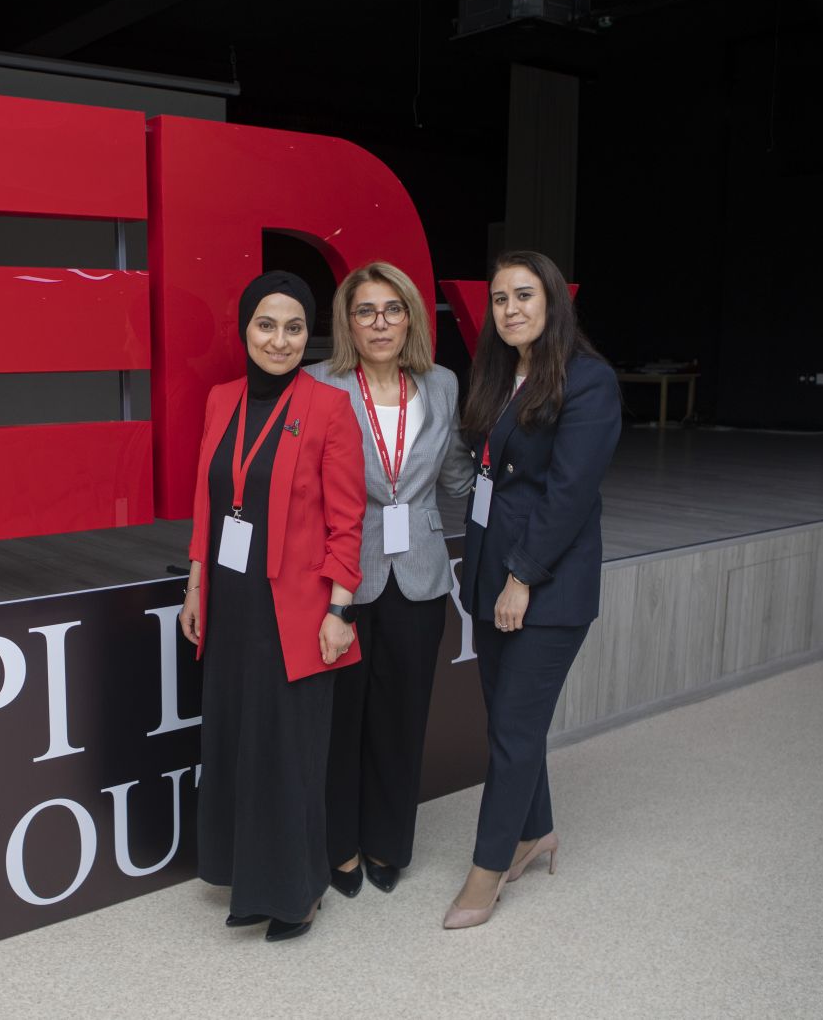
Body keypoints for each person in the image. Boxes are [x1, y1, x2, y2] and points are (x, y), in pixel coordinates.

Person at [177, 270, 366, 942]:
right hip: (231, 604)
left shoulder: (328, 407)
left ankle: (297, 892)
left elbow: (349, 522)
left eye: (293, 327)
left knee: (288, 754)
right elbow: (207, 501)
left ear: (307, 334)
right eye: (266, 325)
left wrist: (341, 611)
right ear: (245, 329)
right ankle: (250, 879)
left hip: (298, 614)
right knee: (239, 744)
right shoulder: (221, 398)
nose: (279, 340)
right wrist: (195, 585)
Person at [446, 249, 621, 929]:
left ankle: (486, 870)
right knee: (508, 721)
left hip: (546, 583)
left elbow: (569, 495)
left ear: (553, 302)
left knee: (514, 729)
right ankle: (535, 830)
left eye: (524, 295)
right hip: (491, 571)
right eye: (500, 298)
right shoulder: (497, 373)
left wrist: (521, 578)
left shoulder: (588, 380)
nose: (511, 308)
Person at [305, 261, 475, 897]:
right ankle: (340, 847)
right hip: (342, 575)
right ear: (348, 322)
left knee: (402, 716)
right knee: (341, 717)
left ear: (411, 319)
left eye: (393, 310)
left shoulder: (442, 383)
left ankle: (387, 842)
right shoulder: (319, 383)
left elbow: (455, 474)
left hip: (421, 574)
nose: (380, 324)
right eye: (365, 311)